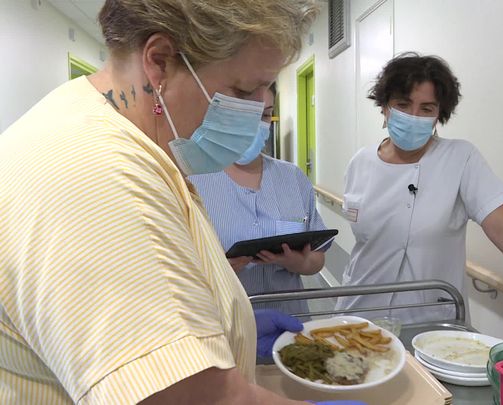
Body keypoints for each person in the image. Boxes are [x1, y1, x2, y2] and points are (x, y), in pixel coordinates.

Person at [0, 1, 356, 404]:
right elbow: (194, 399)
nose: (259, 109)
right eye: (243, 90)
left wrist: (230, 328)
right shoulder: (95, 174)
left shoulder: (124, 142)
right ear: (160, 61)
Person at [336, 53, 503, 333]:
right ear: (385, 108)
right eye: (403, 104)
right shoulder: (360, 163)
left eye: (426, 109)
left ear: (439, 115)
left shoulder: (460, 158)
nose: (413, 116)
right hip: (359, 314)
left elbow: (502, 226)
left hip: (432, 324)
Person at [189, 84, 327, 317]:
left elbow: (318, 258)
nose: (256, 125)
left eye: (264, 115)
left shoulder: (292, 178)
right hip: (225, 325)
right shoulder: (193, 181)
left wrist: (299, 263)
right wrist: (214, 271)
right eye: (245, 114)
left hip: (290, 322)